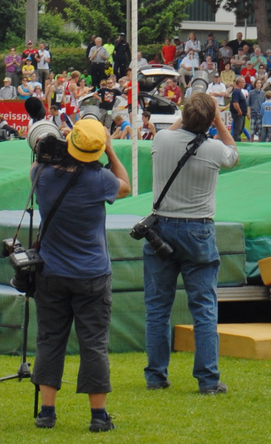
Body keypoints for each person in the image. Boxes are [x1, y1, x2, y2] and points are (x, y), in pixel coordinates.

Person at [31, 118, 130, 431]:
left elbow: (40, 158)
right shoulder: (100, 179)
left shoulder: (42, 175)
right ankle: (98, 416)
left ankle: (47, 412)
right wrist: (111, 151)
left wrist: (61, 143)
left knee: (49, 340)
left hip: (50, 272)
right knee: (94, 344)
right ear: (96, 150)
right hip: (92, 274)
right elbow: (125, 185)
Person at [143, 92, 238, 393]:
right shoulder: (214, 149)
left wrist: (189, 114)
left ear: (183, 115)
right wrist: (219, 123)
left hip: (161, 228)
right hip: (198, 230)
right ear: (209, 121)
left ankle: (156, 377)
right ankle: (208, 380)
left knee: (158, 307)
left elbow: (170, 131)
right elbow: (233, 154)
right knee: (204, 308)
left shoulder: (162, 140)